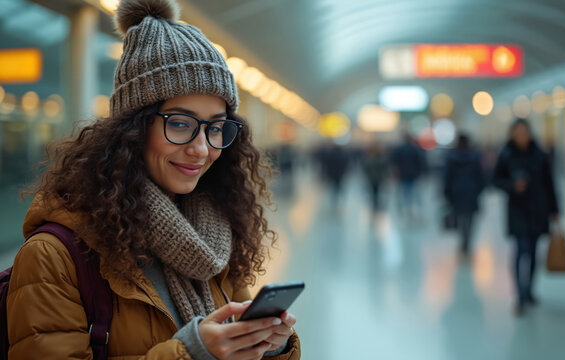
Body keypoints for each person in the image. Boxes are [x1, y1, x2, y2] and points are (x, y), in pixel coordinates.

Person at [6, 1, 300, 359]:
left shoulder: (215, 237)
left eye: (216, 127)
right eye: (180, 123)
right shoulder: (55, 257)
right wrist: (190, 354)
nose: (202, 148)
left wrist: (271, 345)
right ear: (131, 130)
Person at [493, 119, 559, 316]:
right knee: (521, 249)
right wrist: (512, 185)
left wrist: (555, 209)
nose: (521, 135)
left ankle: (529, 288)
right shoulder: (506, 155)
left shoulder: (540, 155)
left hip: (538, 209)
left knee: (532, 251)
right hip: (517, 210)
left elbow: (550, 184)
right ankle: (520, 293)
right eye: (518, 132)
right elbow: (495, 180)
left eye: (524, 131)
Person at [443, 133, 484, 258]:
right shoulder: (475, 156)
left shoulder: (451, 157)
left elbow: (447, 177)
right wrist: (479, 190)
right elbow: (481, 176)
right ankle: (467, 242)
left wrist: (447, 192)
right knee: (470, 220)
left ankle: (463, 241)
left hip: (457, 192)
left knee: (460, 219)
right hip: (472, 192)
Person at [391, 133, 427, 218]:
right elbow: (420, 163)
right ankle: (417, 207)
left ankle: (406, 207)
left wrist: (395, 173)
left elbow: (395, 163)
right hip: (413, 174)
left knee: (404, 191)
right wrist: (420, 173)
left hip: (402, 174)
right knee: (415, 191)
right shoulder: (415, 149)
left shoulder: (399, 149)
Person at [362, 140, 389, 212]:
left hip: (377, 176)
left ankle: (376, 203)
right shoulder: (370, 155)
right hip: (373, 176)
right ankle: (375, 203)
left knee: (377, 190)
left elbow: (384, 166)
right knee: (374, 191)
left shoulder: (378, 156)